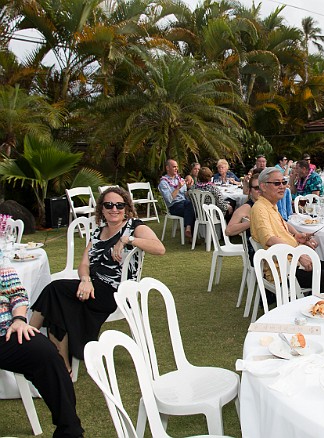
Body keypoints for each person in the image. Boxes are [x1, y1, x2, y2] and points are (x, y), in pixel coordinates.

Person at [30, 187, 165, 372]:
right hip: (93, 286)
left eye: (119, 205)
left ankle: (29, 338)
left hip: (116, 291)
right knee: (58, 302)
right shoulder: (97, 233)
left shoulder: (135, 226)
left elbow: (159, 248)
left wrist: (128, 240)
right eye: (109, 204)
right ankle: (62, 365)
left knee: (55, 290)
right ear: (101, 209)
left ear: (126, 208)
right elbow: (84, 264)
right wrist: (85, 280)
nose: (114, 209)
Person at [0, 267, 84, 438]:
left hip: (5, 332)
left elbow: (17, 293)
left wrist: (18, 319)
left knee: (46, 353)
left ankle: (70, 430)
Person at [250, 167, 324, 292]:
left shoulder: (270, 205)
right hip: (282, 270)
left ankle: (312, 302)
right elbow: (269, 239)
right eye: (277, 183)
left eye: (284, 182)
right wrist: (298, 255)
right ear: (263, 187)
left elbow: (283, 226)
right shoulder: (260, 208)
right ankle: (313, 306)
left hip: (290, 262)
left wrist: (297, 235)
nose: (282, 186)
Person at [226, 172, 261, 266]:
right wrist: (251, 222)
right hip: (258, 253)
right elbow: (229, 230)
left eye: (263, 187)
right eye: (257, 188)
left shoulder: (267, 205)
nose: (260, 191)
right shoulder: (247, 207)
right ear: (250, 191)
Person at [158, 158, 195, 239]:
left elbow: (185, 195)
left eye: (177, 167)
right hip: (174, 206)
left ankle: (189, 231)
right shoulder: (163, 183)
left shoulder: (180, 179)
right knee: (191, 208)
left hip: (185, 203)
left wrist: (189, 188)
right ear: (167, 168)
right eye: (174, 167)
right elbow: (169, 199)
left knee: (193, 206)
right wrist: (178, 187)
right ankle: (191, 234)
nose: (176, 169)